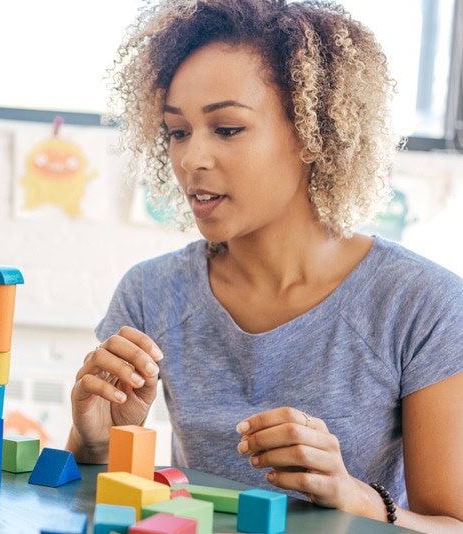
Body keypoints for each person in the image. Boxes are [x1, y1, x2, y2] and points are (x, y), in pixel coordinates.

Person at [66, 0, 463, 530]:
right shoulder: (152, 292)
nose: (190, 159)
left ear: (311, 133)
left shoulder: (423, 305)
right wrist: (93, 445)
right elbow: (85, 504)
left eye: (227, 129)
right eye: (177, 131)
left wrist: (356, 497)